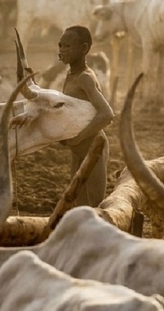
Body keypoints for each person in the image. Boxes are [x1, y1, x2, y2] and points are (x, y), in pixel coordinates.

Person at [58, 25, 114, 207]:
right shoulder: (70, 75)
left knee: (95, 205)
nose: (62, 50)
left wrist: (79, 137)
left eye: (67, 46)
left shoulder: (85, 78)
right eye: (60, 45)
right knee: (77, 204)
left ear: (84, 49)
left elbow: (107, 114)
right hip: (78, 151)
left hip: (94, 148)